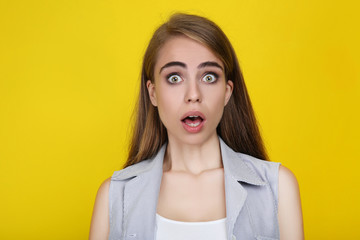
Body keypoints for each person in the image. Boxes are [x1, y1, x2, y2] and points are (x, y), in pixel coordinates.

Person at [89, 13, 304, 240]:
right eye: (174, 78)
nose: (193, 95)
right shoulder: (114, 196)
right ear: (153, 93)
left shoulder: (278, 188)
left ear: (227, 92)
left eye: (209, 77)